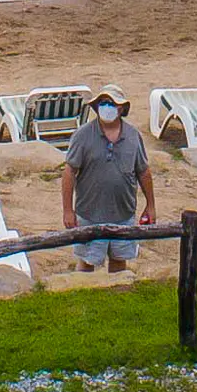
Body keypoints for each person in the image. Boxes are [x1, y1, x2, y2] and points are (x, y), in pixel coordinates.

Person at [62, 85, 156, 271]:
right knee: (87, 262)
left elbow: (143, 172)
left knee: (119, 261)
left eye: (112, 103)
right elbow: (69, 172)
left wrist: (150, 206)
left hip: (123, 215)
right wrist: (67, 210)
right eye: (103, 103)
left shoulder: (133, 136)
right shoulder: (82, 136)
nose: (107, 107)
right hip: (89, 214)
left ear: (121, 108)